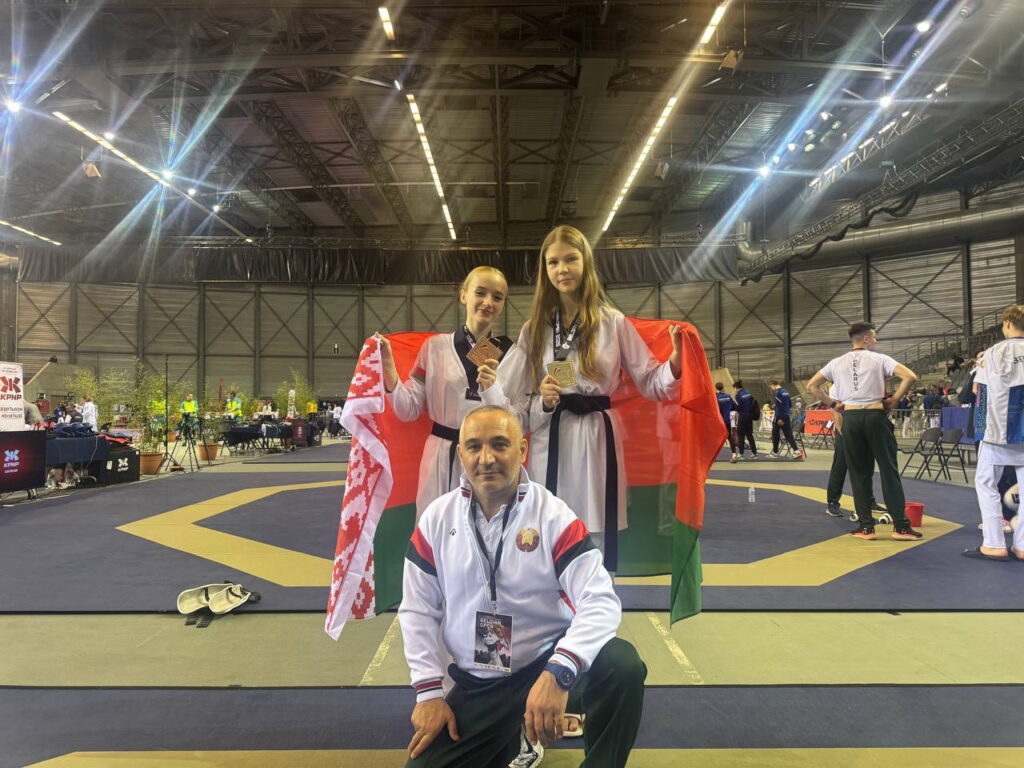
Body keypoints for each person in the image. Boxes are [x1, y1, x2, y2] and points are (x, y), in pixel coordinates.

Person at [398, 405, 645, 768]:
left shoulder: (553, 516)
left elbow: (601, 600)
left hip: (545, 663)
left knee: (620, 666)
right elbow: (418, 609)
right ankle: (516, 739)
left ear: (522, 450)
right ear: (461, 453)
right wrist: (428, 692)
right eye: (474, 446)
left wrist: (560, 672)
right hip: (480, 682)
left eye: (500, 444)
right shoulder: (437, 519)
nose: (486, 458)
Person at [483, 225, 681, 552]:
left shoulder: (612, 322)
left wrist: (675, 363)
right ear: (545, 271)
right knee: (546, 530)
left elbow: (651, 382)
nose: (562, 269)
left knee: (595, 530)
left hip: (596, 437)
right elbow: (510, 396)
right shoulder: (535, 329)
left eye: (570, 259)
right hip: (551, 435)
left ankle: (596, 585)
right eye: (553, 262)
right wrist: (540, 402)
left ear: (586, 262)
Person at [379, 266, 514, 515]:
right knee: (435, 525)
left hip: (487, 458)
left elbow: (516, 420)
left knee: (486, 527)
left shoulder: (512, 355)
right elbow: (408, 410)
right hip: (440, 456)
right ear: (464, 295)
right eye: (480, 293)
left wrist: (492, 389)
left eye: (497, 297)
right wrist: (388, 369)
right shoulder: (435, 348)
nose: (488, 303)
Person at [807, 322, 922, 541]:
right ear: (866, 338)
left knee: (858, 473)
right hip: (875, 415)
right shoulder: (879, 359)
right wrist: (894, 399)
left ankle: (866, 527)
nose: (876, 341)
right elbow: (910, 376)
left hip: (851, 418)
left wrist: (833, 404)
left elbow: (812, 385)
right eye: (875, 337)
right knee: (888, 470)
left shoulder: (836, 362)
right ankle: (901, 527)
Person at [964, 305, 1024, 562]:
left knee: (986, 483)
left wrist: (980, 431)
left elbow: (979, 393)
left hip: (999, 430)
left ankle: (994, 543)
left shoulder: (993, 353)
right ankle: (1022, 545)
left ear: (1007, 324)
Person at [768, 378, 803, 460]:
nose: (771, 388)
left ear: (773, 385)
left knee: (775, 434)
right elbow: (789, 405)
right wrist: (776, 406)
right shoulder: (785, 391)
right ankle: (797, 451)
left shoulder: (778, 393)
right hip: (786, 415)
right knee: (788, 434)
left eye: (771, 387)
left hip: (779, 417)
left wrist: (780, 418)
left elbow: (780, 407)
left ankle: (775, 452)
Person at [732, 380, 758, 459]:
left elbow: (737, 407)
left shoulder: (738, 395)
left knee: (741, 435)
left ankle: (741, 454)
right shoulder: (748, 393)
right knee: (750, 435)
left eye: (734, 388)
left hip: (742, 416)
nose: (734, 390)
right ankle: (754, 453)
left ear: (736, 388)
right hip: (749, 416)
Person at [715, 382, 739, 463]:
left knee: (716, 439)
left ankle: (712, 457)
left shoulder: (716, 398)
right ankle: (734, 455)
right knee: (730, 437)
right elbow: (735, 407)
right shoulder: (729, 396)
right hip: (728, 420)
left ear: (716, 388)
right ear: (723, 387)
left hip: (720, 421)